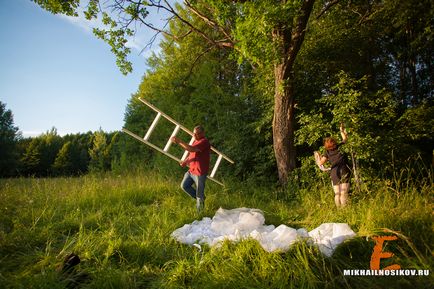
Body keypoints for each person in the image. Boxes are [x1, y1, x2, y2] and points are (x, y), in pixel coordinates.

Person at [171, 125, 211, 213]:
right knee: (184, 186)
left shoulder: (204, 142)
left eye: (197, 134)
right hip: (191, 171)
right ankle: (201, 199)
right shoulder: (195, 141)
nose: (195, 136)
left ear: (203, 133)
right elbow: (192, 154)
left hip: (200, 173)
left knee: (199, 194)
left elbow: (192, 149)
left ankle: (200, 214)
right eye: (194, 134)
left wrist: (179, 141)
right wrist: (185, 161)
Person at [316, 123, 351, 207]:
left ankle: (339, 211)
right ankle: (344, 211)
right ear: (334, 142)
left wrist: (318, 158)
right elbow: (345, 139)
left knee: (337, 194)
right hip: (344, 170)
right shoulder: (340, 146)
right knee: (343, 193)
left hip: (334, 172)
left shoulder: (327, 152)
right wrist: (341, 131)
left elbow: (320, 163)